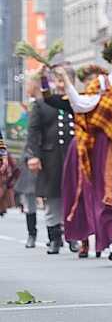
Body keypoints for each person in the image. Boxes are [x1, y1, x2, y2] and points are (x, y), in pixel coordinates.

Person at [55, 39, 112, 266]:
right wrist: (67, 81)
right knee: (107, 194)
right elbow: (80, 105)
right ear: (110, 59)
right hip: (105, 147)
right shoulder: (101, 83)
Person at [49, 64, 108, 259]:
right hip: (81, 148)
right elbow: (50, 99)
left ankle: (102, 239)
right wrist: (45, 78)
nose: (92, 82)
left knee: (103, 193)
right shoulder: (77, 99)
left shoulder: (107, 98)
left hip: (101, 148)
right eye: (88, 79)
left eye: (95, 79)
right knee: (79, 193)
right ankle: (83, 240)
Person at [24, 68, 78, 254]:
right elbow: (33, 132)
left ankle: (73, 236)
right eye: (59, 81)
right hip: (50, 157)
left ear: (73, 83)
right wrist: (33, 155)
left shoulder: (79, 102)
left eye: (65, 81)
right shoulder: (43, 104)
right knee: (53, 198)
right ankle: (54, 237)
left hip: (75, 157)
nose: (61, 85)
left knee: (75, 197)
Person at [15, 76, 42, 248]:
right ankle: (31, 234)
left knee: (56, 195)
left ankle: (60, 234)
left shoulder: (50, 102)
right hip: (30, 151)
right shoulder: (30, 105)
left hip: (49, 150)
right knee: (29, 194)